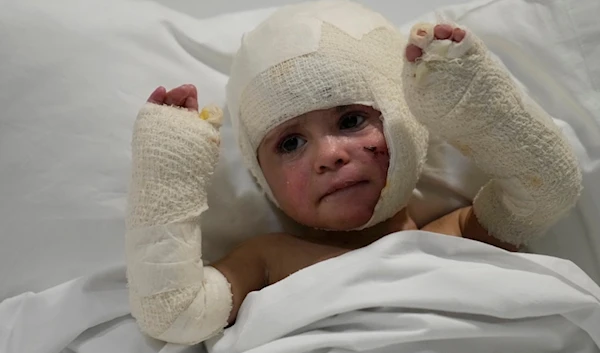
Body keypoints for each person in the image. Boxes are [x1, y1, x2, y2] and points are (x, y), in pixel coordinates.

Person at [125, 0, 582, 346]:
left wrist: (470, 105)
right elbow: (174, 313)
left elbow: (546, 188)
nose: (329, 155)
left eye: (351, 121)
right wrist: (169, 175)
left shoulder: (457, 234)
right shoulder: (268, 259)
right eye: (290, 143)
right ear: (261, 177)